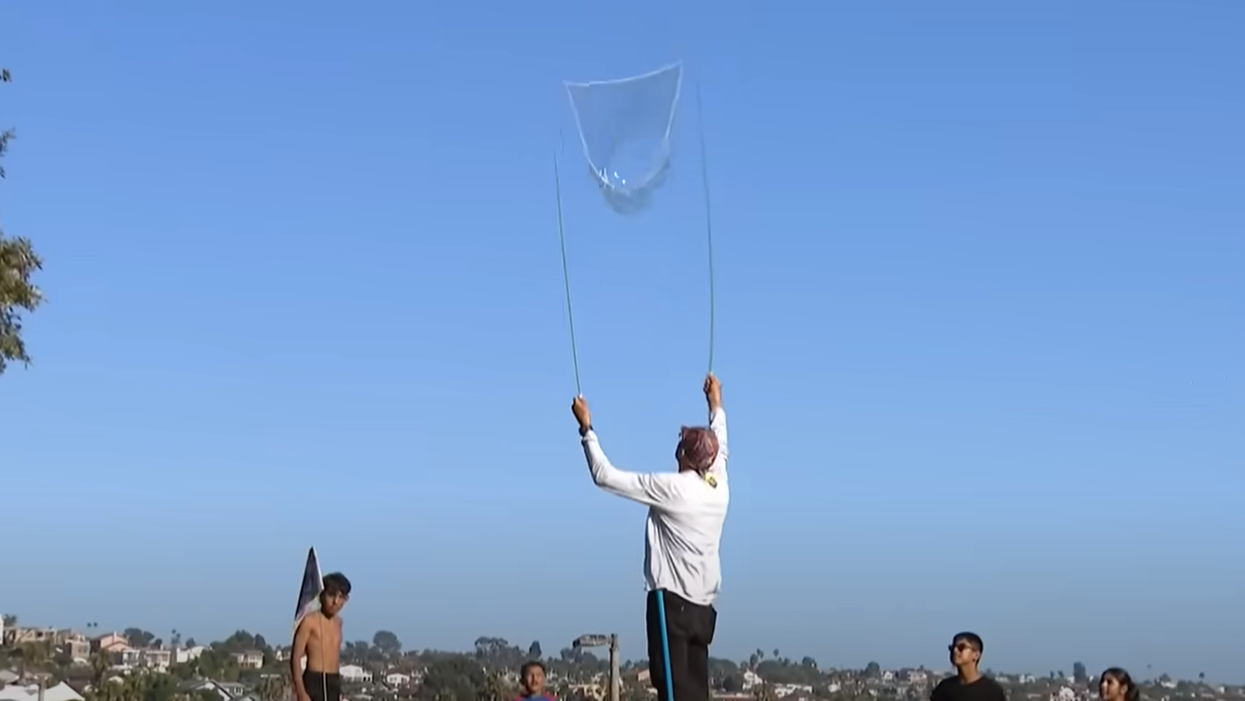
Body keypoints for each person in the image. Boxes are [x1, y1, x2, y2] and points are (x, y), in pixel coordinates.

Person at [570, 373, 729, 701]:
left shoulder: (673, 488)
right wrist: (715, 403)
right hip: (704, 611)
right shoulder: (718, 484)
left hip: (672, 606)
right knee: (695, 693)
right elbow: (721, 441)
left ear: (683, 456)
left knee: (671, 689)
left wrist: (586, 429)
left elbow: (604, 476)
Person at [292, 572, 352, 701]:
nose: (335, 601)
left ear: (346, 599)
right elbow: (295, 658)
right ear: (321, 595)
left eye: (341, 597)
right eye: (331, 595)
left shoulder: (339, 623)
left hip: (334, 681)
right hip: (314, 680)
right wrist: (301, 692)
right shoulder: (309, 621)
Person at [929, 632, 1008, 701]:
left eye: (961, 648)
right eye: (952, 647)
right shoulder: (944, 688)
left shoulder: (991, 691)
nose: (955, 651)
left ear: (976, 655)